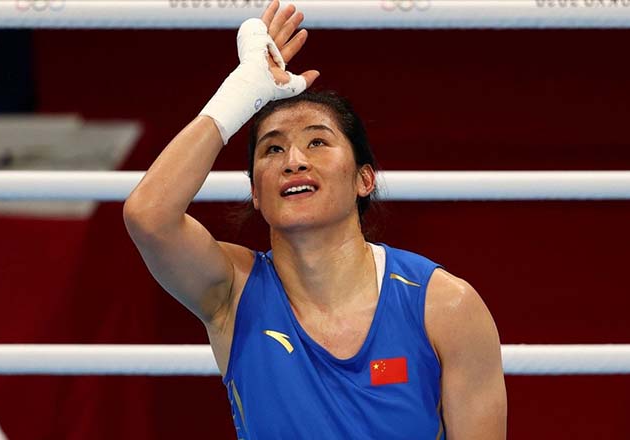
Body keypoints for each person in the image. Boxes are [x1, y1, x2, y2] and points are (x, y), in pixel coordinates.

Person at [123, 1, 507, 438]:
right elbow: (148, 215)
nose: (294, 161)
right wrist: (240, 93)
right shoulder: (231, 291)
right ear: (255, 192)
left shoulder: (445, 307)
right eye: (273, 148)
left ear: (364, 178)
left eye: (318, 142)